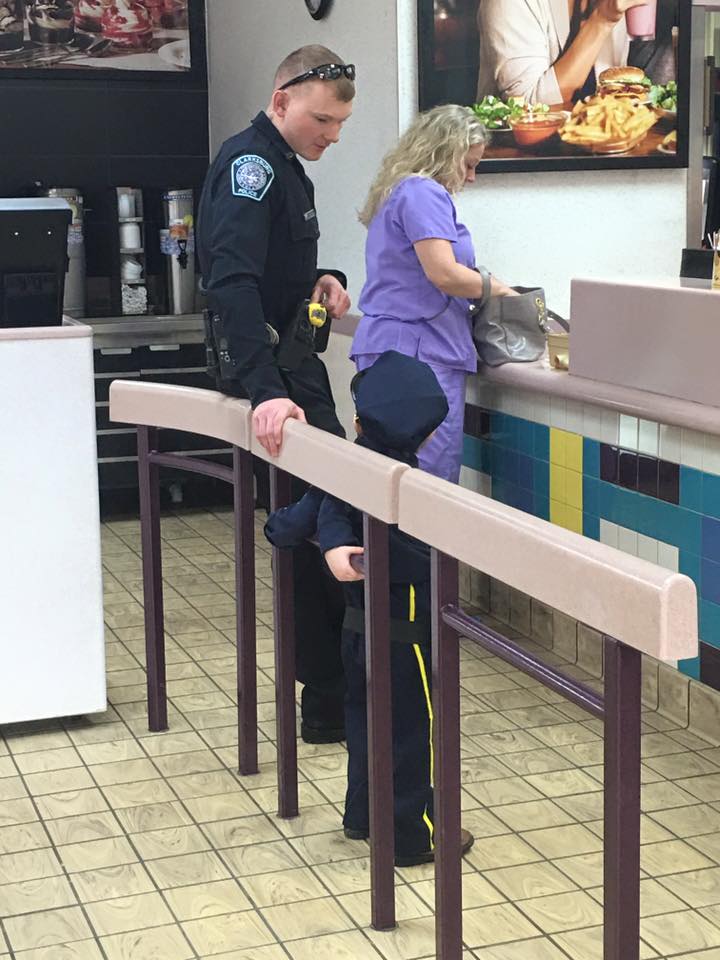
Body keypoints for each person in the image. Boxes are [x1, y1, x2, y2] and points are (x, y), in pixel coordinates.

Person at [196, 45, 356, 744]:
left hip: (293, 368)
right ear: (282, 97)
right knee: (319, 530)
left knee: (328, 523)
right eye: (322, 119)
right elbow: (230, 279)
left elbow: (269, 266)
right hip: (279, 379)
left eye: (340, 124)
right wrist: (263, 389)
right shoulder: (251, 166)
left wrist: (317, 279)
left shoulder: (284, 167)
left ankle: (331, 696)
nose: (332, 135)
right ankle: (327, 699)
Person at [264, 351, 475, 866]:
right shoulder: (414, 489)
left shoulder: (346, 469)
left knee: (362, 719)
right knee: (409, 727)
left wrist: (326, 536)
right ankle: (411, 834)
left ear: (357, 423)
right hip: (408, 631)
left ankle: (363, 816)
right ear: (428, 436)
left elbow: (283, 528)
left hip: (356, 632)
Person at [351, 104, 516, 485]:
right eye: (468, 165)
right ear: (444, 153)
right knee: (429, 478)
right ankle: (419, 549)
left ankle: (381, 546)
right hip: (419, 350)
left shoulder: (397, 192)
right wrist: (498, 289)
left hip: (392, 345)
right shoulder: (423, 192)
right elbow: (443, 273)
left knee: (386, 472)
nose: (471, 178)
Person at [476, 0, 650, 105]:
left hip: (600, 152)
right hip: (520, 155)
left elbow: (614, 93)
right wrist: (603, 19)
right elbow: (526, 107)